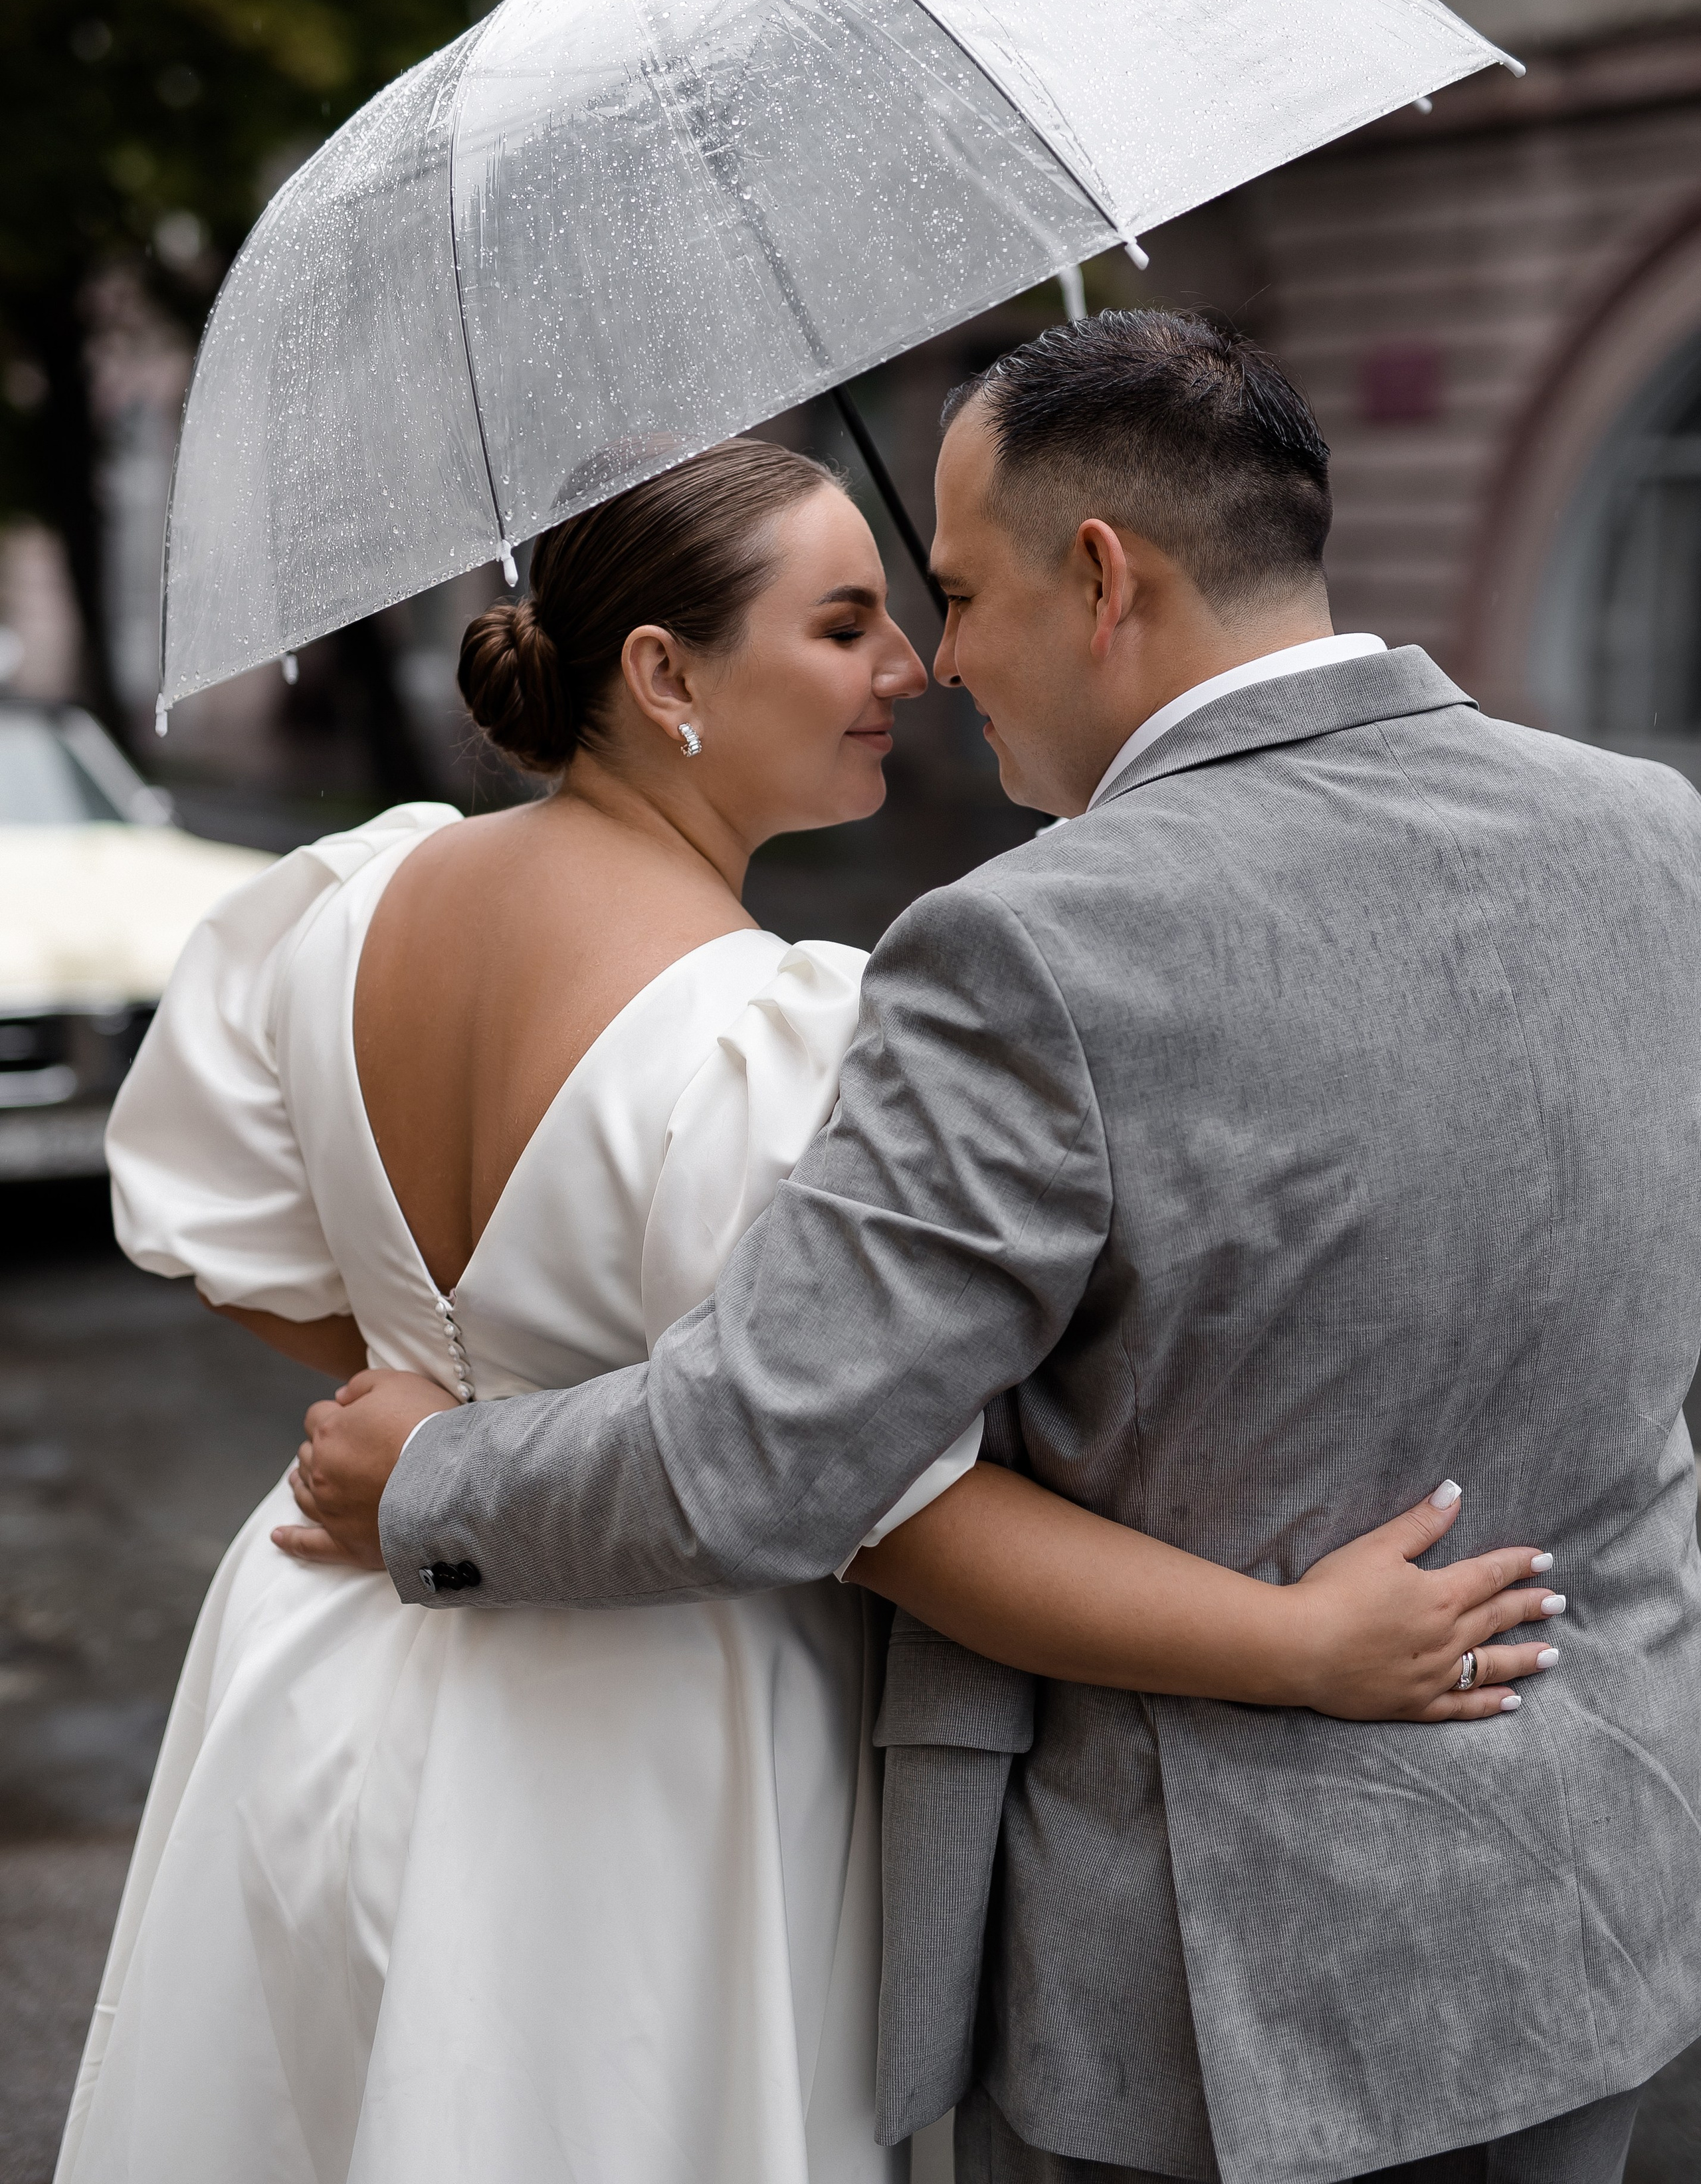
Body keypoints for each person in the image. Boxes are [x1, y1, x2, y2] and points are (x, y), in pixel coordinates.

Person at [297, 316, 1701, 2184]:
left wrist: (431, 1479)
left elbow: (764, 1452)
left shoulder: (1031, 946)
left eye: (957, 595)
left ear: (1103, 579)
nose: (939, 660)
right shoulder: (1655, 833)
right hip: (1599, 1911)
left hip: (1212, 2016)